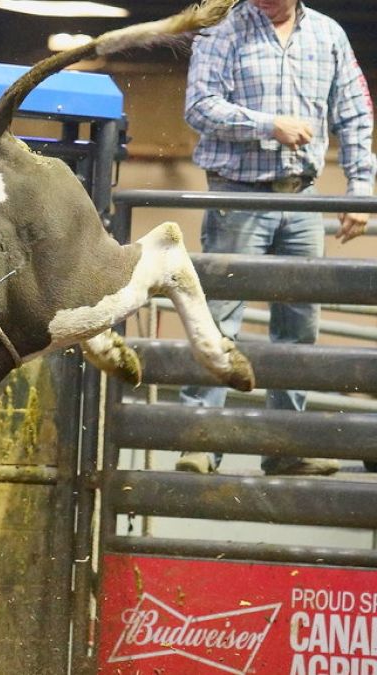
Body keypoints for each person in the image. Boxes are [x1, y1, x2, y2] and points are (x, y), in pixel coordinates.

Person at [177, 0, 374, 476]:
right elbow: (199, 107)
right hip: (239, 194)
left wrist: (360, 188)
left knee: (299, 326)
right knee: (221, 318)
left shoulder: (328, 35)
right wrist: (268, 125)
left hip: (304, 198)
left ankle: (287, 444)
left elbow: (354, 113)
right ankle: (198, 440)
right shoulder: (220, 29)